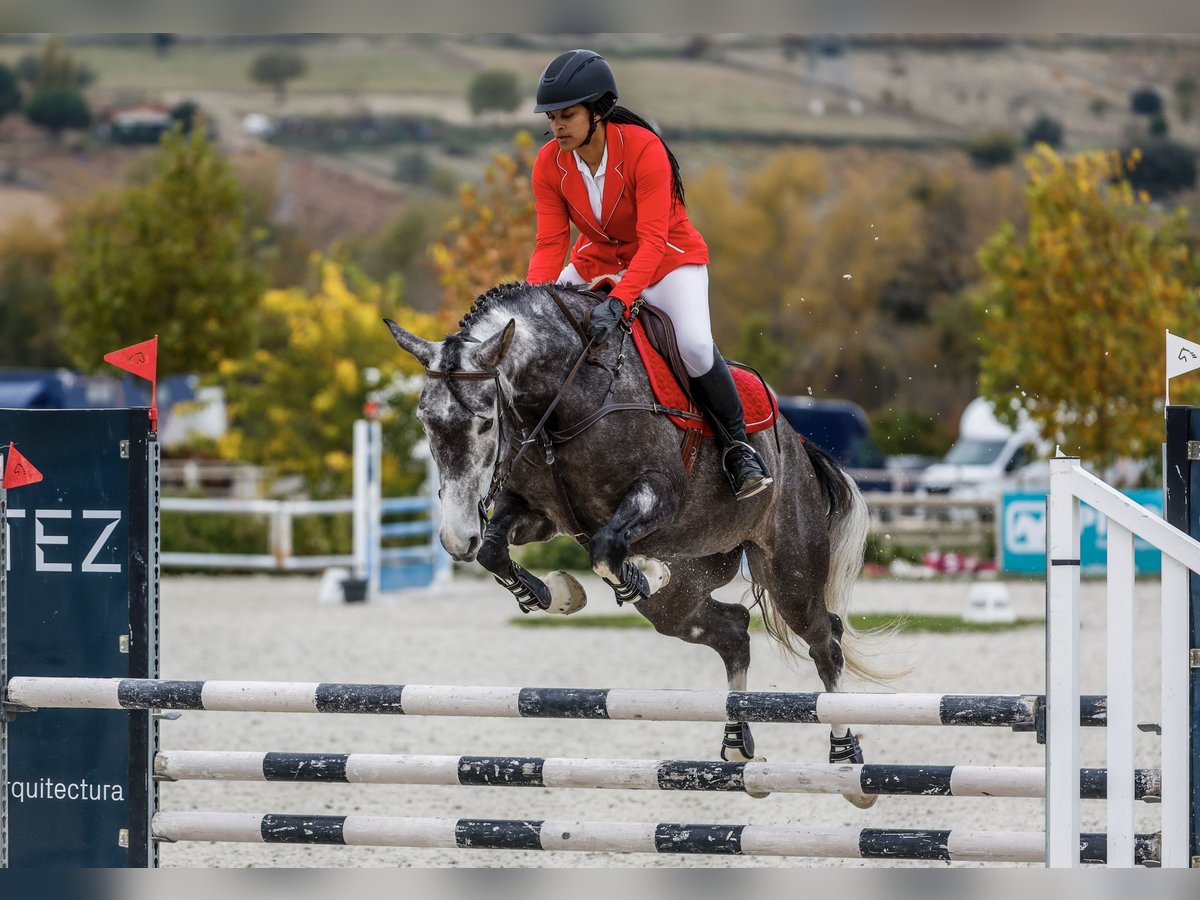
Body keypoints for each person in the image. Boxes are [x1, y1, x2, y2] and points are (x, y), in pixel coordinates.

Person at [526, 48, 772, 501]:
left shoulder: (643, 149)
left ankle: (738, 448)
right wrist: (532, 304)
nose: (557, 125)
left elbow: (654, 240)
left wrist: (619, 303)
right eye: (552, 117)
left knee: (695, 345)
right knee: (537, 332)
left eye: (567, 115)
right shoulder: (549, 163)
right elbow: (548, 244)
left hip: (667, 259)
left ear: (598, 111)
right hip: (597, 259)